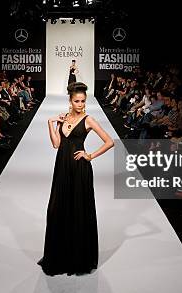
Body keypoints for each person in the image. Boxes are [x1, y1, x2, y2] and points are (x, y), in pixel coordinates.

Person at [38, 82, 114, 276]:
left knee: (78, 209)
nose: (80, 104)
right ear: (70, 101)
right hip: (62, 168)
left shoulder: (89, 120)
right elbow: (56, 144)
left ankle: (79, 258)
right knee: (58, 208)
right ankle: (60, 256)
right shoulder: (63, 118)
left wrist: (90, 155)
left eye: (82, 101)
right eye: (76, 101)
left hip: (80, 170)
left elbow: (110, 141)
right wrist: (51, 123)